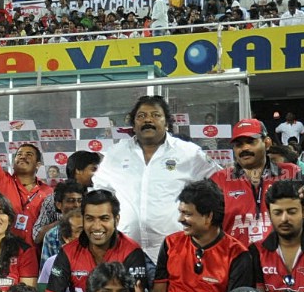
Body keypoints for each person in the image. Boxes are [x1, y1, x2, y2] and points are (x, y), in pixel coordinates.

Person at [91, 94, 214, 261]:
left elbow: (217, 184)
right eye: (141, 116)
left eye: (156, 115)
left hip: (176, 250)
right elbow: (99, 194)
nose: (148, 120)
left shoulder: (189, 153)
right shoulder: (115, 154)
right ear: (133, 124)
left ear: (167, 122)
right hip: (125, 250)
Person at [140, 180, 252, 292]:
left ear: (208, 217)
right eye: (180, 212)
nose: (180, 219)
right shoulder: (170, 243)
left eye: (187, 214)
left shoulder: (237, 255)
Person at [45, 189, 153, 292]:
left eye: (104, 218)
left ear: (116, 220)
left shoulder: (131, 251)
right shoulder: (68, 252)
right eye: (90, 219)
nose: (96, 227)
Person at [0, 94, 52, 245]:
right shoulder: (1, 182)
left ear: (38, 164)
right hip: (2, 255)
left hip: (35, 259)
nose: (23, 157)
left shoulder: (48, 193)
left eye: (29, 154)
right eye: (19, 154)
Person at [212, 119, 300, 246]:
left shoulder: (291, 172)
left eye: (250, 141)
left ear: (267, 142)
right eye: (238, 144)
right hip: (236, 259)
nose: (244, 148)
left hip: (280, 260)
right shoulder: (219, 179)